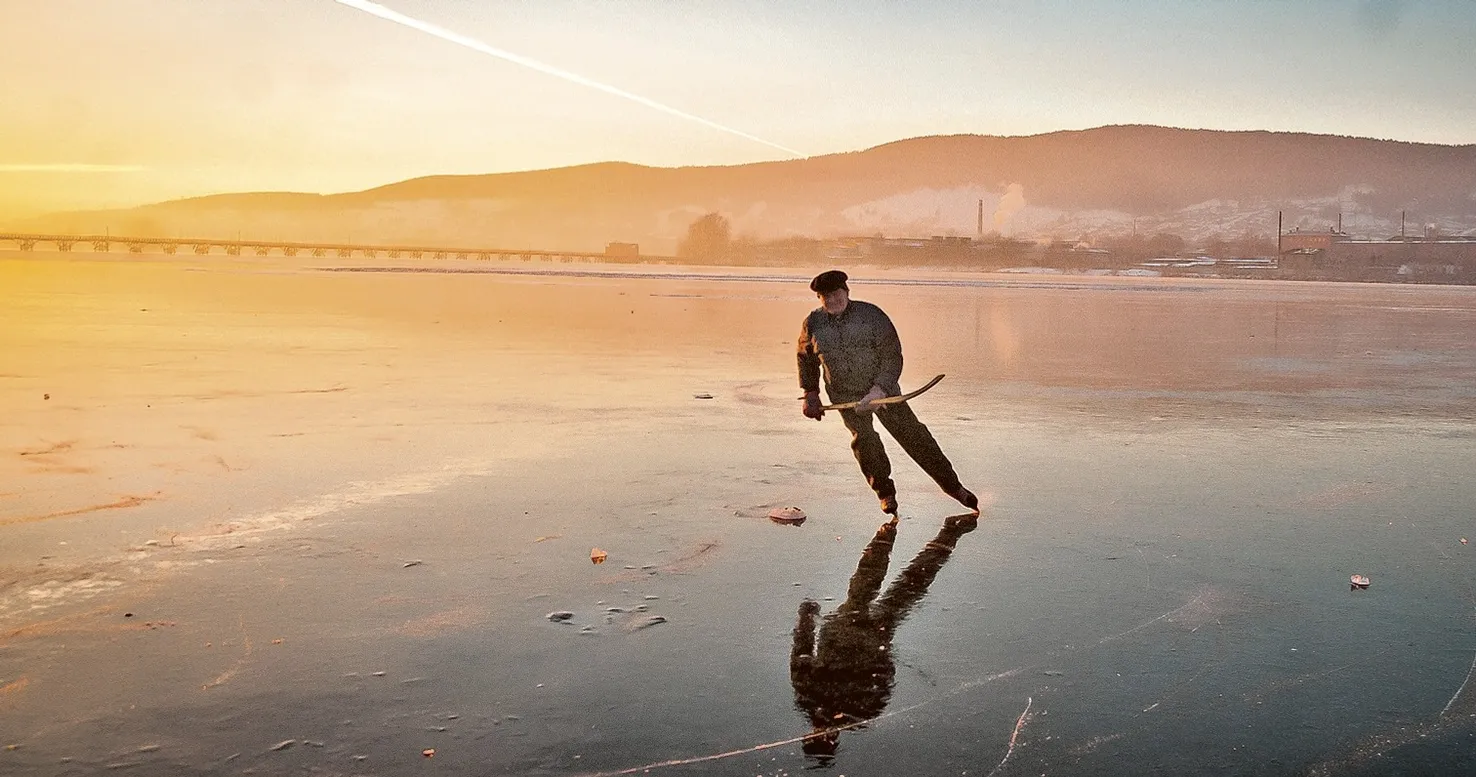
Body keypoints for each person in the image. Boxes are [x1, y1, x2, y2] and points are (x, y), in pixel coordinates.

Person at [790, 513, 978, 760]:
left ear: (808, 735)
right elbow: (884, 680)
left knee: (881, 588)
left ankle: (894, 532)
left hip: (849, 633)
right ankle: (900, 533)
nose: (822, 733)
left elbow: (802, 654)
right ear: (833, 739)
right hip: (862, 637)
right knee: (893, 588)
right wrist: (881, 652)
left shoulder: (819, 701)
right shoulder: (859, 713)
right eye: (824, 739)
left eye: (816, 737)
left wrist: (807, 617)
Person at [797, 269, 978, 517]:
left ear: (846, 292)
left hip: (883, 392)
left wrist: (878, 389)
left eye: (836, 294)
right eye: (825, 297)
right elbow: (806, 359)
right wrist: (810, 393)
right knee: (865, 440)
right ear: (819, 299)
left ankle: (953, 487)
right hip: (845, 396)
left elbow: (892, 355)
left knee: (914, 436)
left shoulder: (872, 316)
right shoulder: (813, 323)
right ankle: (885, 494)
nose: (832, 301)